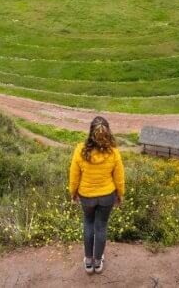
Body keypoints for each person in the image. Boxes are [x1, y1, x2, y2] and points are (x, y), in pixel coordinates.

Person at [69, 116, 125, 275]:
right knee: (101, 227)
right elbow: (119, 179)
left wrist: (73, 193)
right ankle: (98, 262)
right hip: (107, 195)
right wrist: (120, 195)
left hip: (86, 196)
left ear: (90, 132)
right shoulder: (114, 152)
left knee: (88, 224)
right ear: (107, 132)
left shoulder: (80, 150)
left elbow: (74, 177)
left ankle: (88, 262)